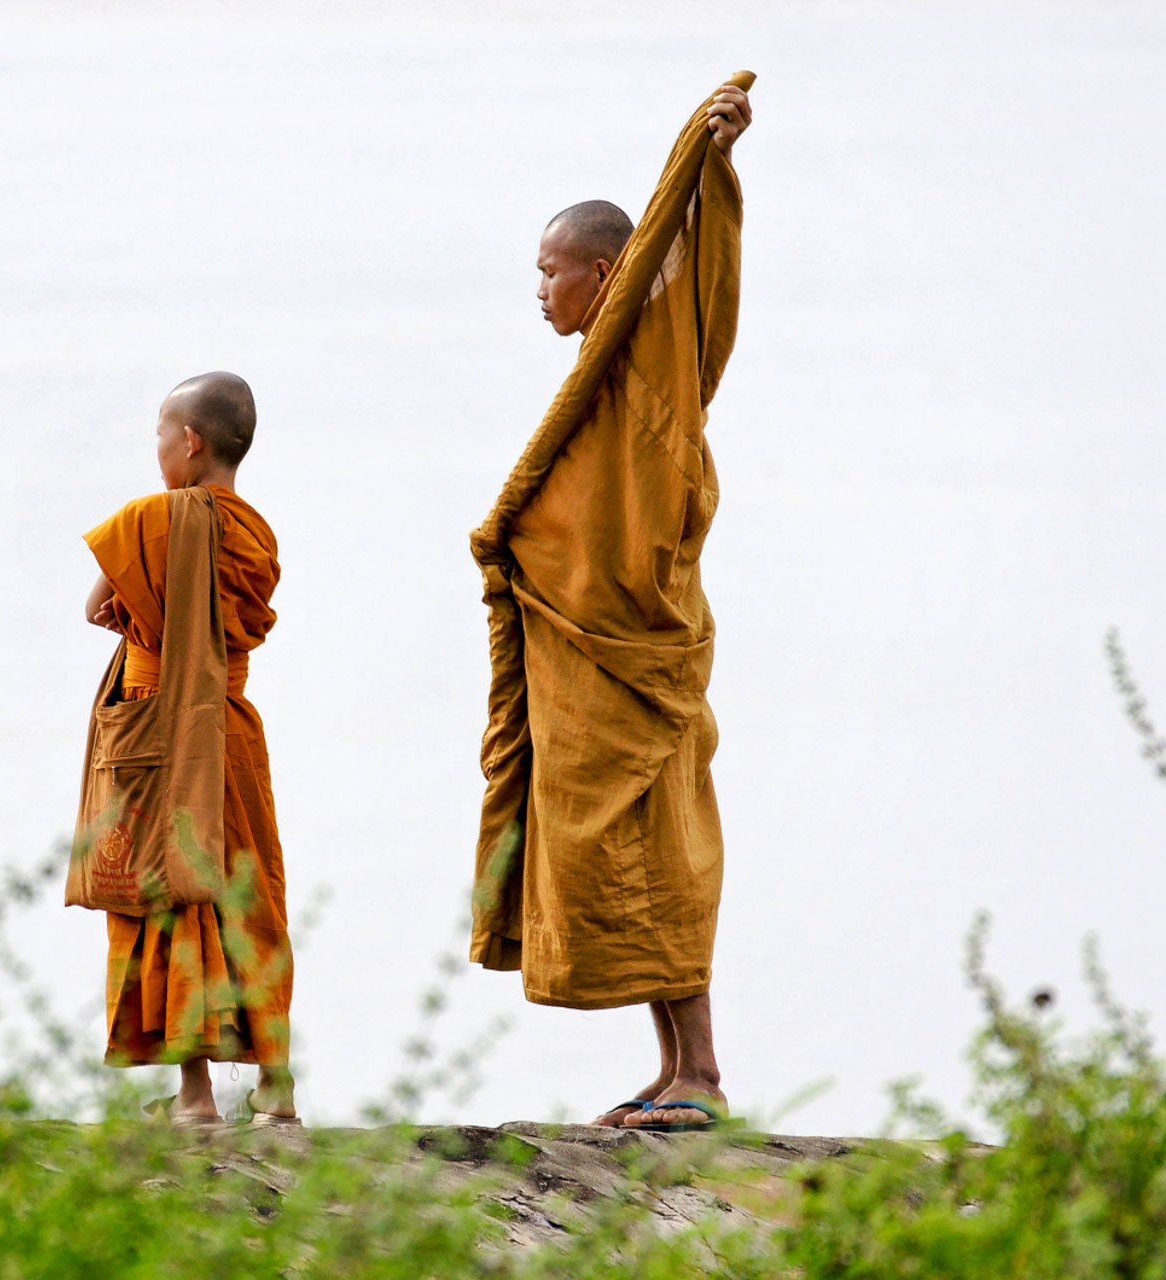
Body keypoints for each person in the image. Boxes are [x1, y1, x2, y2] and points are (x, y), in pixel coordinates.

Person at [468, 78, 754, 1132]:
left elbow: (696, 287)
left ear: (600, 273)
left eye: (549, 272)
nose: (538, 290)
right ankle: (675, 1067)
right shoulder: (598, 378)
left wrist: (710, 162)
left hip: (639, 652)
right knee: (627, 861)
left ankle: (704, 1073)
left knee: (659, 856)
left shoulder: (646, 362)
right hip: (592, 654)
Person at [77, 371, 296, 1125]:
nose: (160, 451)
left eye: (162, 437)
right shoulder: (256, 533)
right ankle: (276, 1090)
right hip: (228, 732)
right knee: (248, 892)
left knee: (167, 896)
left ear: (190, 441)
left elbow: (95, 603)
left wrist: (144, 617)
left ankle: (196, 1097)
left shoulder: (150, 520)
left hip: (155, 732)